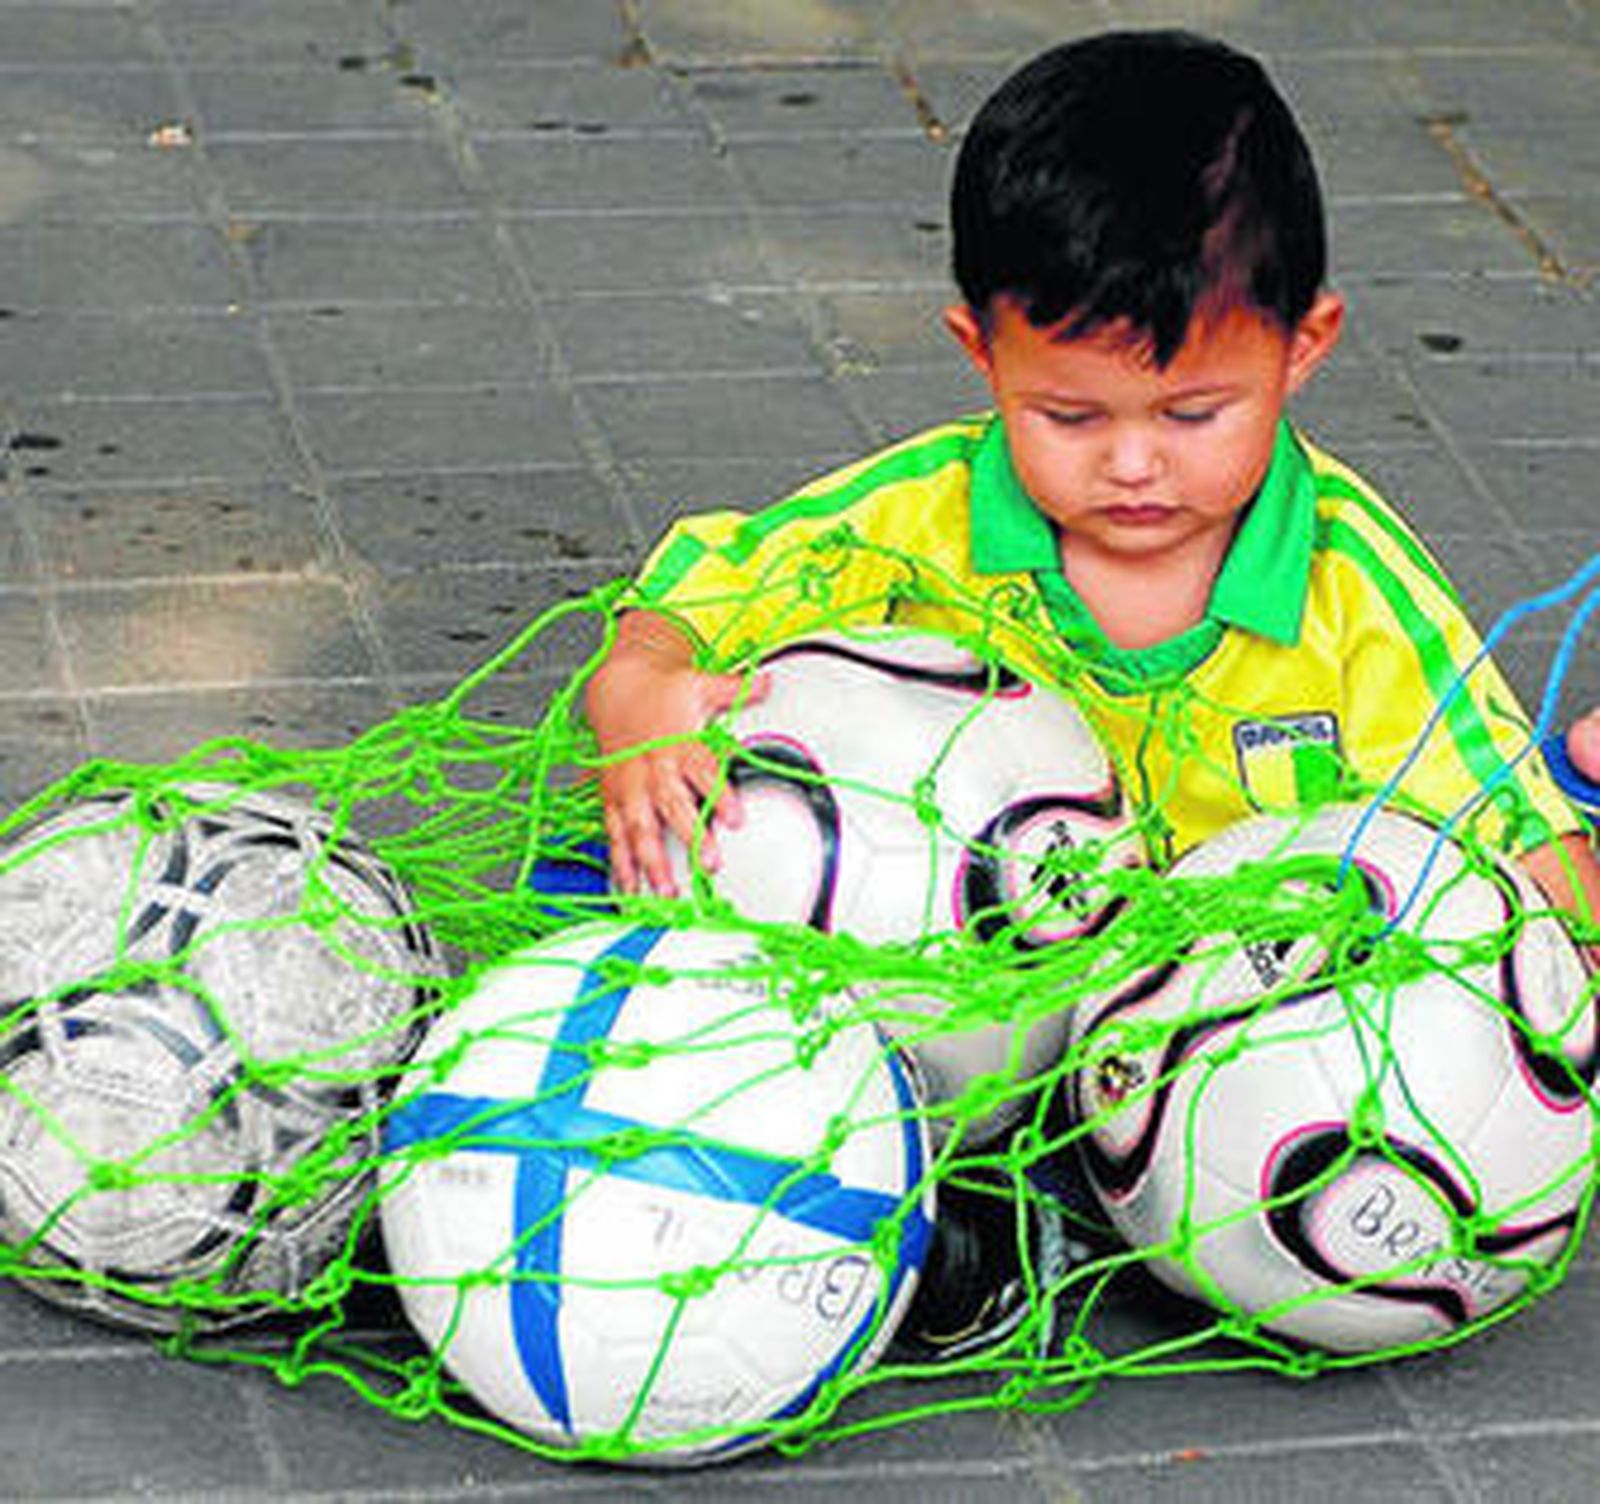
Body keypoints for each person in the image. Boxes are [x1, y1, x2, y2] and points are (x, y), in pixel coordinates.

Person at [580, 30, 1600, 1360]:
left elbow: (1499, 825)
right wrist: (640, 698)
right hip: (976, 994)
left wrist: (1553, 979)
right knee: (616, 905)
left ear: (1304, 348)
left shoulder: (1353, 583)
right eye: (1069, 416)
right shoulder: (921, 513)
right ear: (981, 353)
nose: (1132, 466)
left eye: (1193, 415)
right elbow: (701, 589)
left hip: (1204, 1032)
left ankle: (978, 1224)